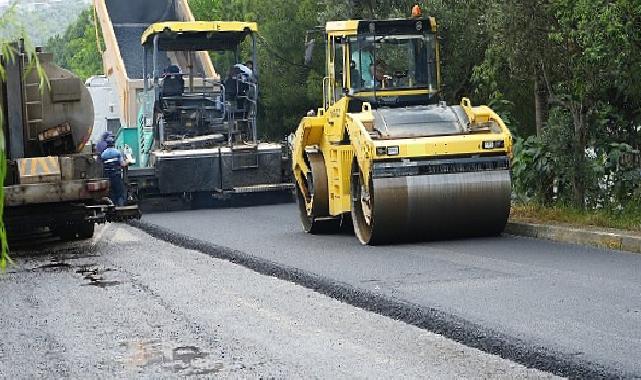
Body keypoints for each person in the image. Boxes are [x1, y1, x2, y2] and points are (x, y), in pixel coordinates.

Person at [100, 137, 127, 207]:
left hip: (107, 177)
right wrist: (127, 162)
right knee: (119, 192)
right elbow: (122, 164)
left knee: (111, 193)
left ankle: (113, 207)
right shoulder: (117, 152)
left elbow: (101, 165)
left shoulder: (103, 154)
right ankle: (121, 207)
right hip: (116, 176)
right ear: (113, 144)